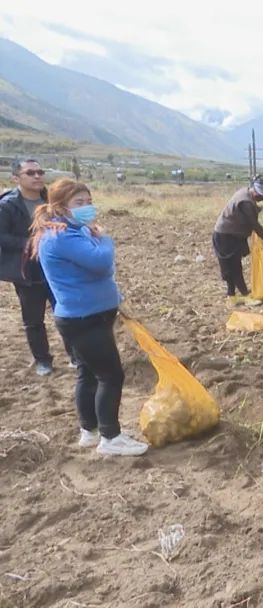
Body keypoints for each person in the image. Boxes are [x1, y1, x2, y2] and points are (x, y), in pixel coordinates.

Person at [30, 179, 147, 456]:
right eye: (78, 203)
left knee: (88, 373)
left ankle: (90, 431)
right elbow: (100, 261)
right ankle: (111, 437)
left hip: (86, 316)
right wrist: (104, 238)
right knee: (111, 375)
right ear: (60, 206)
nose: (86, 207)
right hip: (84, 319)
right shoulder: (61, 236)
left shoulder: (72, 230)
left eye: (88, 201)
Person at [1, 159, 61, 375]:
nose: (37, 176)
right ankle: (43, 361)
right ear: (16, 178)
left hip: (56, 267)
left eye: (40, 171)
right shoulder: (6, 206)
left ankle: (76, 355)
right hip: (28, 271)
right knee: (34, 319)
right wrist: (28, 243)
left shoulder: (52, 200)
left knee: (66, 312)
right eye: (30, 173)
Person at [211, 177, 263, 303]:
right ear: (257, 192)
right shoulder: (246, 202)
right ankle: (241, 295)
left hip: (229, 235)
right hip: (226, 236)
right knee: (233, 266)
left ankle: (235, 294)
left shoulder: (245, 193)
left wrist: (256, 209)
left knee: (232, 265)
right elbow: (254, 224)